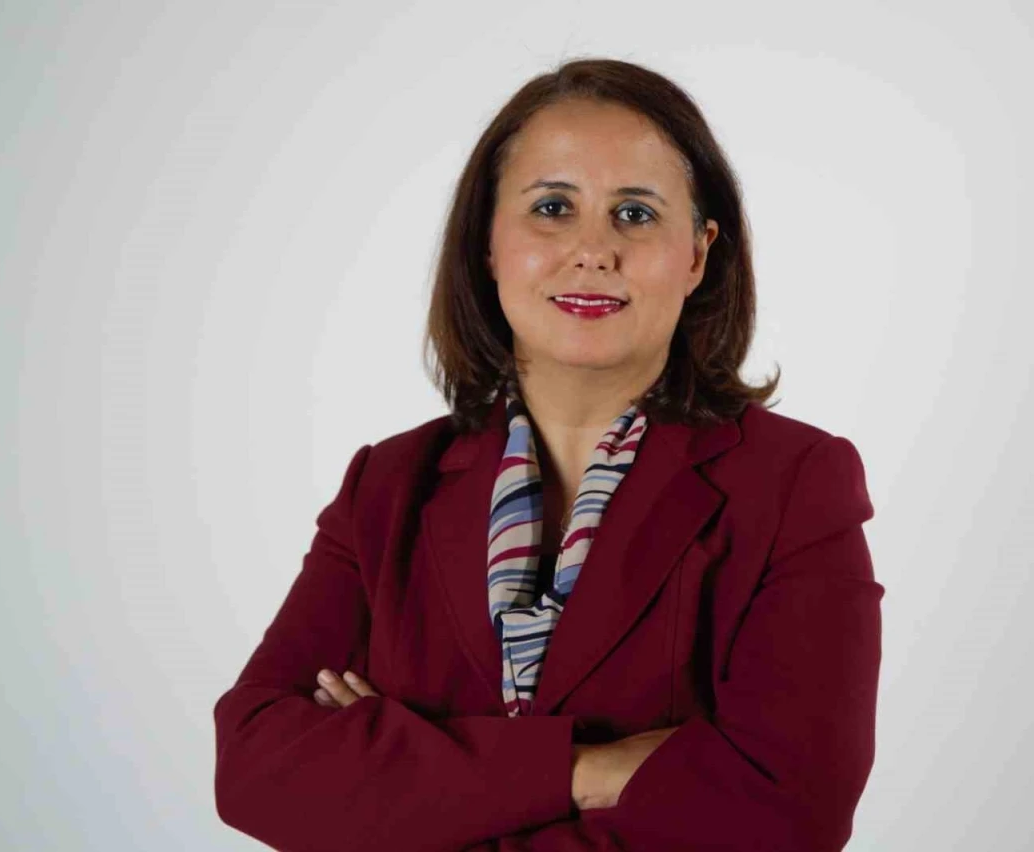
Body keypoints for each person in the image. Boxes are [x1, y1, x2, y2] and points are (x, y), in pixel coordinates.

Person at [213, 56, 884, 852]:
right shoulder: (385, 487)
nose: (593, 250)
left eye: (635, 214)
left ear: (698, 255)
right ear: (488, 243)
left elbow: (788, 812)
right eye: (553, 207)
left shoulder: (795, 484)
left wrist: (400, 782)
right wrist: (582, 772)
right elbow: (255, 763)